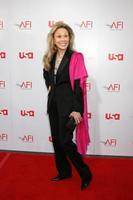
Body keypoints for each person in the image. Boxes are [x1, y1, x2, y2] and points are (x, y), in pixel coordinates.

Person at [43, 21, 92, 191]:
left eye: (66, 36)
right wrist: (49, 84)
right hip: (53, 105)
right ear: (54, 39)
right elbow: (46, 73)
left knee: (65, 141)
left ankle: (86, 174)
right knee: (57, 141)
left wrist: (77, 109)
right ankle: (64, 171)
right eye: (59, 36)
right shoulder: (50, 56)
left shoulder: (75, 57)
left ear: (70, 38)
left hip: (69, 106)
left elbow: (79, 86)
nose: (63, 39)